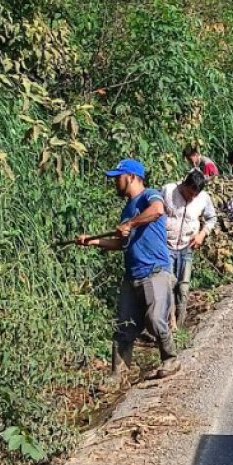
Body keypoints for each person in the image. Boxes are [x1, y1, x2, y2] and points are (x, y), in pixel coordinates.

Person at [75, 158, 180, 381]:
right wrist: (92, 242)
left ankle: (170, 358)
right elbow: (122, 243)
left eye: (118, 177)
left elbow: (158, 210)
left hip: (155, 270)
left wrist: (130, 224)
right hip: (132, 275)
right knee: (123, 327)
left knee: (154, 319)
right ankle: (117, 375)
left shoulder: (149, 196)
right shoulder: (126, 210)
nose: (115, 182)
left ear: (131, 177)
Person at [161, 170, 217, 330]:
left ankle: (180, 323)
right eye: (189, 193)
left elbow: (212, 218)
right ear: (184, 185)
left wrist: (202, 234)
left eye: (195, 195)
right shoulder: (168, 190)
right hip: (166, 245)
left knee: (183, 286)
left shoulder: (203, 198)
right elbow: (154, 210)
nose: (191, 197)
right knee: (168, 284)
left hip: (188, 246)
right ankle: (169, 324)